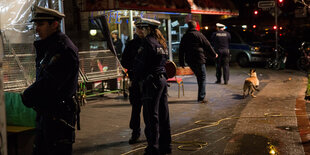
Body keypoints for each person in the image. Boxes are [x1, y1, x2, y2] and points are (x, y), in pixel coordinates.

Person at [20, 6, 79, 155]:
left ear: (54, 24)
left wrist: (27, 95)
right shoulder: (51, 47)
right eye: (36, 25)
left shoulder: (62, 49)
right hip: (49, 114)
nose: (37, 29)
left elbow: (49, 82)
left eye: (41, 24)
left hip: (58, 117)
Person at [133, 18, 172, 155]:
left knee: (151, 116)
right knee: (163, 115)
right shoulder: (160, 43)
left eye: (141, 28)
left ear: (147, 28)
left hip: (151, 82)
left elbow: (141, 65)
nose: (139, 30)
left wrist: (135, 78)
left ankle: (153, 148)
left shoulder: (147, 43)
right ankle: (166, 145)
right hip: (161, 80)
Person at [179, 20, 218, 104]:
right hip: (199, 59)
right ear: (196, 26)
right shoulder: (199, 35)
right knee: (202, 77)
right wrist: (214, 54)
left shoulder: (185, 36)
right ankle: (201, 97)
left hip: (190, 60)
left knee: (199, 77)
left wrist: (181, 62)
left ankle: (201, 96)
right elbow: (207, 45)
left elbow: (181, 50)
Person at [121, 28, 144, 144]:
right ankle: (147, 133)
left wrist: (132, 68)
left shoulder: (131, 44)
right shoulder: (151, 42)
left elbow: (124, 62)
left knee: (136, 109)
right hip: (143, 81)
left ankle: (135, 133)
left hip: (136, 80)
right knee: (147, 110)